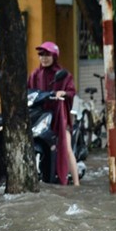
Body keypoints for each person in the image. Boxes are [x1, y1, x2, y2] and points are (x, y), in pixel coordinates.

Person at [28, 41, 79, 186]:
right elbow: (28, 91)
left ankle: (76, 184)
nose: (44, 58)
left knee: (66, 148)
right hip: (40, 117)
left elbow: (71, 91)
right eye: (41, 55)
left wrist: (63, 93)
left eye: (47, 55)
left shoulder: (63, 75)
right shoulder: (35, 74)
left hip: (59, 118)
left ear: (54, 56)